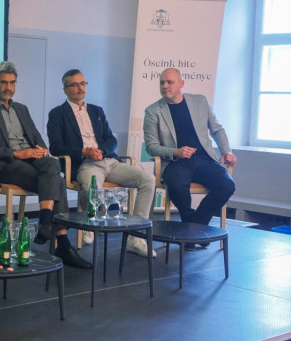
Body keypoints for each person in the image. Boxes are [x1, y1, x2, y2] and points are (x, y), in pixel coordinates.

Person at [0, 61, 92, 269]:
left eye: (12, 83)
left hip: (31, 160)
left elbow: (36, 137)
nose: (8, 87)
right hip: (5, 164)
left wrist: (41, 150)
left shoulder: (22, 109)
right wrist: (16, 153)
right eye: (4, 82)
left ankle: (46, 222)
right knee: (57, 181)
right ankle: (60, 241)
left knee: (52, 163)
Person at [47, 69, 156, 257]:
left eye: (83, 83)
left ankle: (136, 237)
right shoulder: (58, 113)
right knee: (92, 187)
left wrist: (102, 151)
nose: (80, 87)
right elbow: (55, 147)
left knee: (148, 180)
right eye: (75, 84)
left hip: (109, 161)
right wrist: (84, 151)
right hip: (85, 163)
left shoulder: (96, 110)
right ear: (65, 89)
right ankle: (90, 224)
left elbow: (111, 139)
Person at [143, 67, 237, 237]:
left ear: (181, 84)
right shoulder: (153, 111)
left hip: (204, 159)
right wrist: (175, 151)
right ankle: (195, 230)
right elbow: (151, 146)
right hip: (175, 162)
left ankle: (193, 227)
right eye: (162, 83)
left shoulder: (200, 101)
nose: (164, 86)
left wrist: (227, 151)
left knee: (227, 185)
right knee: (177, 185)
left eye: (169, 82)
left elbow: (217, 129)